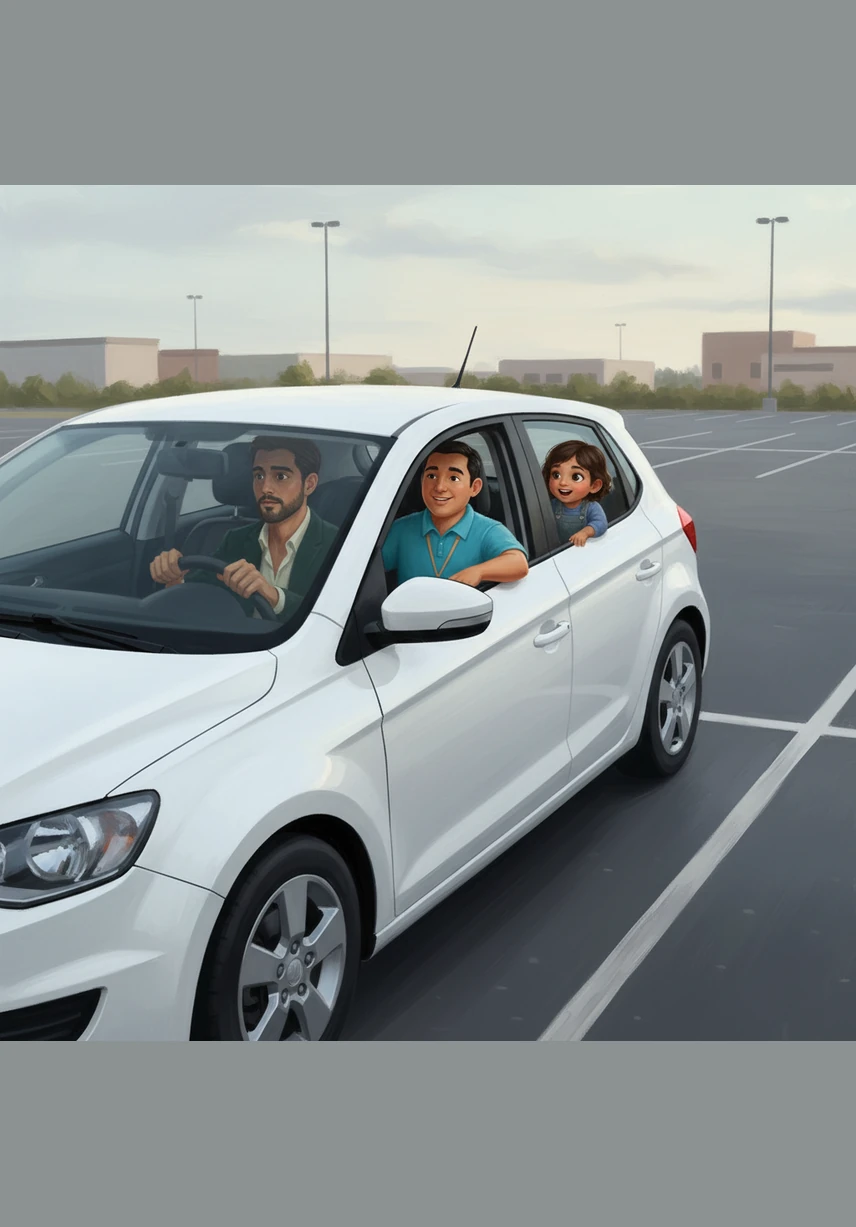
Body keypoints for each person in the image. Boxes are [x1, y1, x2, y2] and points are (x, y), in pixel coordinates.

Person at [149, 435, 338, 619]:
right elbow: (198, 594)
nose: (265, 488)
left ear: (309, 484)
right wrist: (173, 576)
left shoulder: (338, 544)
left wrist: (275, 597)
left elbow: (340, 615)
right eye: (259, 475)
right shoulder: (236, 540)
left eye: (280, 476)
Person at [382, 439, 529, 587]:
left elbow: (518, 562)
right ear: (421, 481)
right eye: (431, 476)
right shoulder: (402, 528)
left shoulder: (487, 530)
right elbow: (367, 569)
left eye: (453, 478)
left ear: (475, 487)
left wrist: (479, 571)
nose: (439, 487)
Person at [542, 439, 611, 547]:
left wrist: (585, 532)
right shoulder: (552, 505)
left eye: (576, 477)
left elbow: (600, 524)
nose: (563, 482)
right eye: (556, 475)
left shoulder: (591, 507)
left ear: (594, 486)